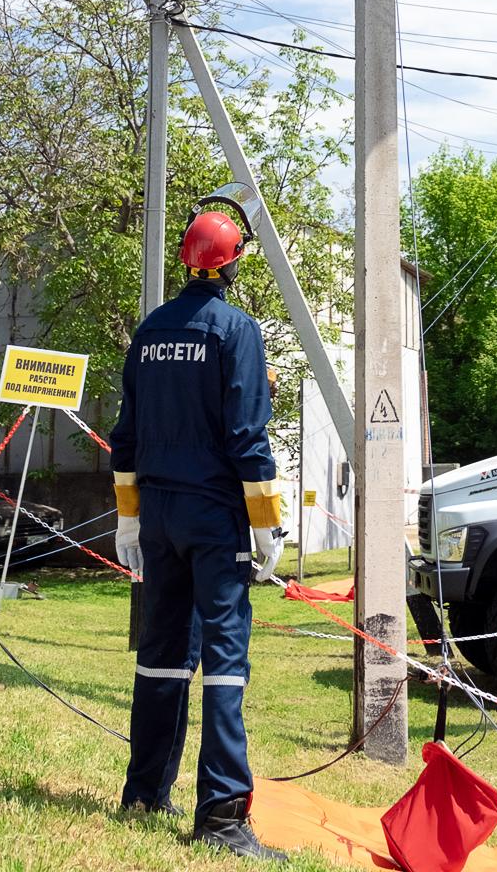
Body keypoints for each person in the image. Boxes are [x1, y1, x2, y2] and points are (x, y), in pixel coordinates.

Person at [112, 182, 286, 861]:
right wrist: (265, 523)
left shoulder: (150, 330)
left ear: (189, 262)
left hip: (156, 515)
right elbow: (247, 434)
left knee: (160, 658)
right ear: (231, 263)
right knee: (224, 664)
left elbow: (125, 436)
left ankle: (145, 792)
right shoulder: (235, 330)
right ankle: (220, 818)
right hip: (214, 519)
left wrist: (129, 522)